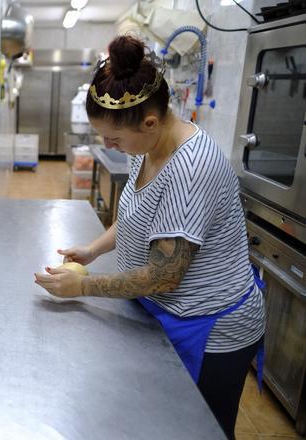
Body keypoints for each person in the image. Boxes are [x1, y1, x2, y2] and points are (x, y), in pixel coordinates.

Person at [34, 36, 265, 439]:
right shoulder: (145, 148)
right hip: (162, 311)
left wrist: (83, 286)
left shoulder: (192, 168)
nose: (108, 145)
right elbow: (137, 216)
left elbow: (164, 277)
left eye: (114, 139)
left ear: (151, 122)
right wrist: (92, 250)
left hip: (210, 325)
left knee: (198, 429)